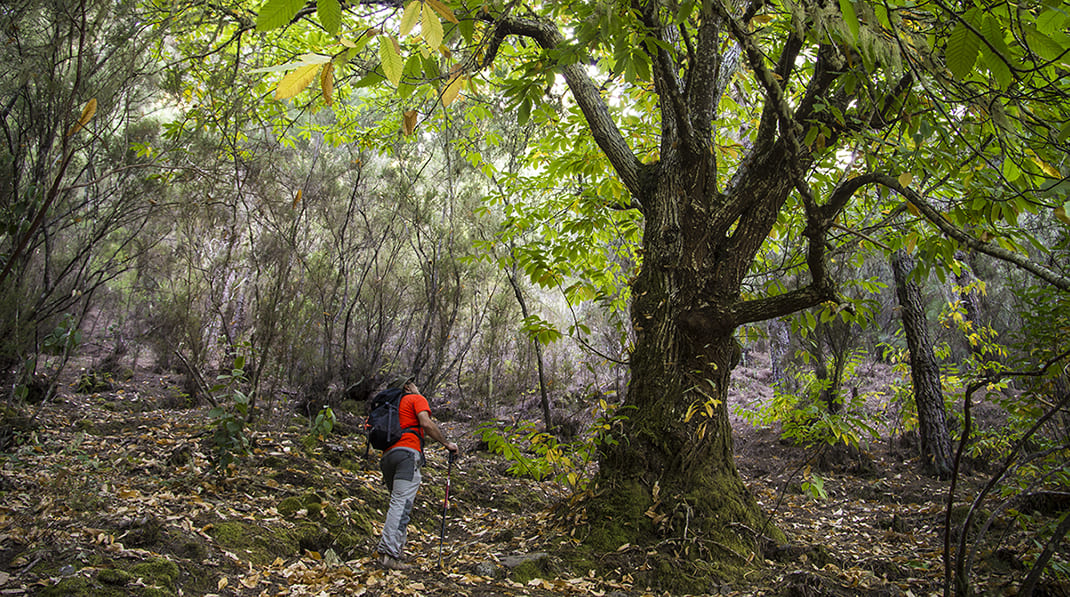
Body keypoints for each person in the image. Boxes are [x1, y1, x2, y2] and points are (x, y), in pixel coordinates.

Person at [377, 380, 459, 570]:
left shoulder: (391, 405)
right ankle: (389, 554)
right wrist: (446, 443)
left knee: (397, 502)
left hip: (388, 456)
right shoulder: (416, 398)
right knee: (401, 503)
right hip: (407, 455)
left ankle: (395, 549)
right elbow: (426, 423)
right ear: (407, 386)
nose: (415, 385)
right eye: (412, 382)